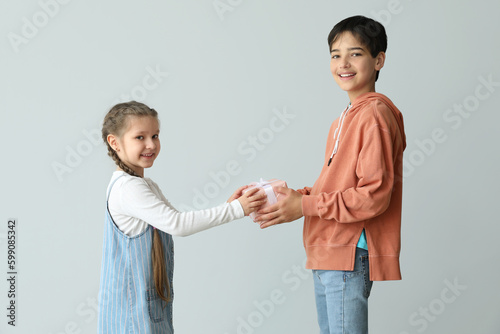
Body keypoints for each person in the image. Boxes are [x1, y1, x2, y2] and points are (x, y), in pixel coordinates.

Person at [255, 15, 406, 333]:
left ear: (378, 60)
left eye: (356, 53)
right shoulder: (342, 121)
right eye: (335, 54)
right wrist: (294, 198)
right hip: (326, 251)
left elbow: (374, 196)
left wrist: (305, 206)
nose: (343, 63)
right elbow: (334, 186)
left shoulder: (374, 115)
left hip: (348, 254)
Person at [97, 101, 265, 333]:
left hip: (145, 307)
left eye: (155, 135)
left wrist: (229, 205)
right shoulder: (128, 189)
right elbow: (178, 225)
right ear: (115, 142)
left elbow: (173, 217)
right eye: (140, 137)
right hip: (132, 316)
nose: (151, 144)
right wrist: (236, 209)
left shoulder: (143, 184)